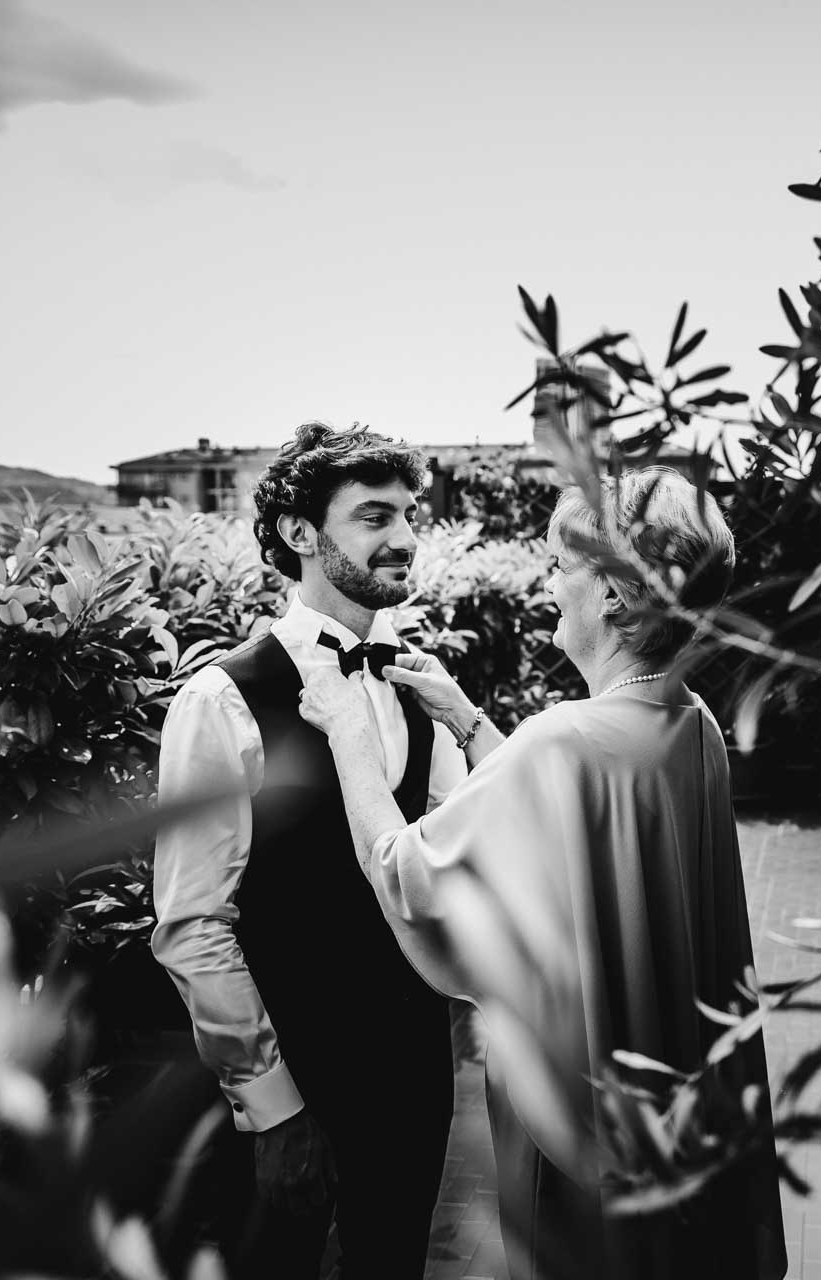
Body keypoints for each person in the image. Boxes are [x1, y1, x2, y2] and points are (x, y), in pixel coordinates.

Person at [298, 467, 788, 1280]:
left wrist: (350, 735)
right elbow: (568, 816)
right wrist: (468, 720)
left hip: (584, 1129)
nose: (548, 583)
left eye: (562, 565)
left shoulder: (564, 739)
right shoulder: (687, 718)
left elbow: (403, 870)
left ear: (615, 595)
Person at [152, 423, 467, 1278]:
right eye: (374, 516)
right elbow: (192, 922)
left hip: (413, 1070)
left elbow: (452, 862)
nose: (404, 537)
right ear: (300, 533)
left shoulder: (419, 684)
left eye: (409, 515)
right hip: (297, 1070)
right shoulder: (223, 699)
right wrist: (272, 1106)